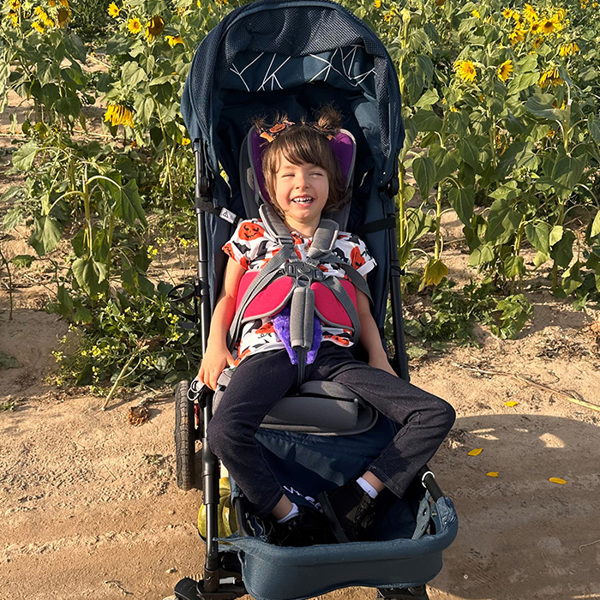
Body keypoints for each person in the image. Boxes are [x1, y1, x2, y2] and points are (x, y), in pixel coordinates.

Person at [199, 108, 455, 547]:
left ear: (331, 185)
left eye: (315, 172)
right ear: (271, 187)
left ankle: (360, 496)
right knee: (223, 431)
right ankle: (288, 514)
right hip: (266, 352)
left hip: (333, 358)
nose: (303, 183)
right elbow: (227, 297)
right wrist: (213, 347)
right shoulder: (249, 233)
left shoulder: (348, 245)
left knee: (435, 413)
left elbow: (364, 311)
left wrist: (377, 356)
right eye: (289, 174)